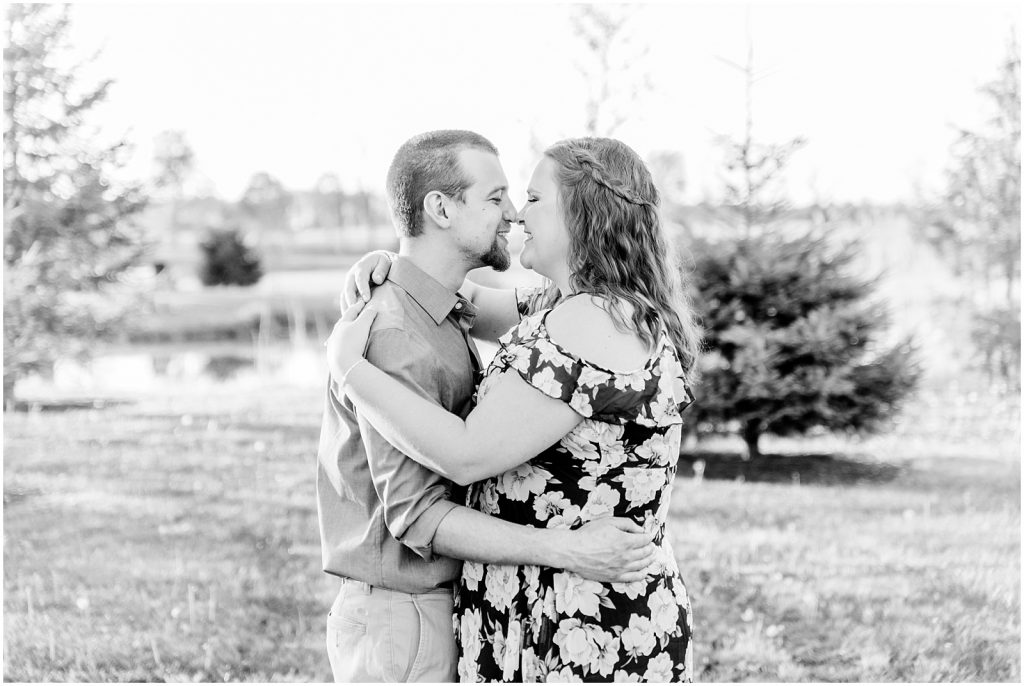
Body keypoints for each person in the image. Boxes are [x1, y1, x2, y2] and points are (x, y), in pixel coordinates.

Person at [329, 136, 701, 682]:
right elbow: (464, 303)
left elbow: (465, 455)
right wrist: (393, 261)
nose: (517, 214)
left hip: (581, 621)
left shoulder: (593, 321)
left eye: (533, 199)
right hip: (547, 605)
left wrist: (351, 371)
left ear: (583, 215)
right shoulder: (564, 305)